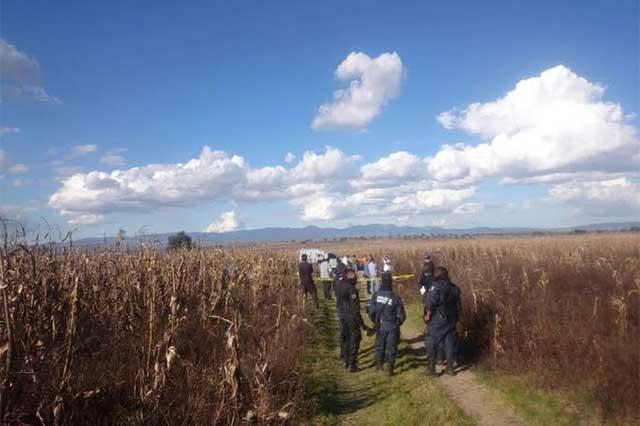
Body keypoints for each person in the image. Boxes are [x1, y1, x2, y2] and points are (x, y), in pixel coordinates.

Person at [424, 266, 461, 376]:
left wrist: (427, 316)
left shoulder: (436, 287)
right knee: (450, 343)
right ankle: (450, 368)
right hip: (452, 318)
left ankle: (431, 369)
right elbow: (459, 305)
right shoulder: (454, 288)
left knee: (432, 340)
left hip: (439, 318)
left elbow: (430, 303)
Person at [368, 273, 406, 376]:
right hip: (392, 325)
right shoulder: (395, 297)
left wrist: (375, 321)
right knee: (391, 347)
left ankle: (379, 365)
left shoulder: (376, 295)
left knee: (379, 346)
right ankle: (390, 367)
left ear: (381, 282)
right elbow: (402, 315)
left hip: (380, 325)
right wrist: (397, 323)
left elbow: (371, 311)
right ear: (391, 282)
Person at [335, 265, 368, 372]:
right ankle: (352, 364)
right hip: (351, 317)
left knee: (345, 338)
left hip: (342, 315)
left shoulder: (339, 284)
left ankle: (346, 360)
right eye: (351, 275)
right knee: (355, 339)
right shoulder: (351, 289)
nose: (353, 277)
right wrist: (362, 325)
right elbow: (355, 309)